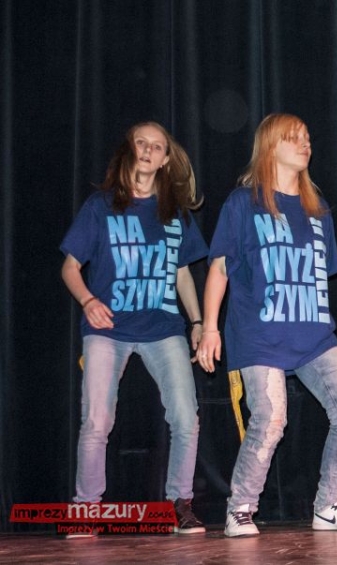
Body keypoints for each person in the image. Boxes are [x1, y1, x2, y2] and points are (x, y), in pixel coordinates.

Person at [197, 113, 337, 536]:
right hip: (260, 335)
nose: (305, 144)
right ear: (271, 146)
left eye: (307, 137)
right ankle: (240, 509)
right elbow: (219, 269)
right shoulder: (244, 203)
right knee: (271, 420)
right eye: (294, 138)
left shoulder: (317, 209)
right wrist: (210, 328)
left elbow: (324, 274)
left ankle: (329, 505)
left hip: (314, 333)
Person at [60, 121, 208, 536]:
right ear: (129, 150)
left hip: (163, 327)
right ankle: (87, 508)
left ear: (165, 160)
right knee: (97, 420)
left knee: (186, 417)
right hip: (108, 329)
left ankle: (180, 503)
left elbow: (182, 273)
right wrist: (88, 301)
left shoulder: (175, 212)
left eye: (157, 146)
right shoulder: (101, 206)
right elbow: (70, 267)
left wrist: (198, 321)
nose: (147, 150)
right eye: (141, 142)